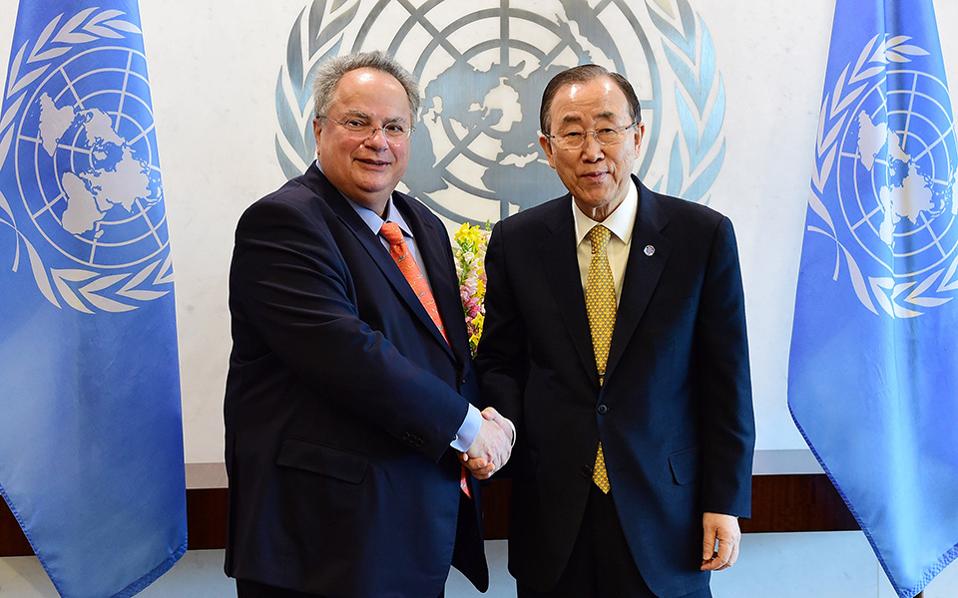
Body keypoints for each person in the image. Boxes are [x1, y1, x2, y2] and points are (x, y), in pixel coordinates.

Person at [224, 51, 514, 598]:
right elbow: (351, 356)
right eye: (357, 122)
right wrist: (471, 428)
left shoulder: (423, 225)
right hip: (320, 545)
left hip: (409, 532)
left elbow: (446, 359)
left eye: (394, 127)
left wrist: (492, 422)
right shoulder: (283, 222)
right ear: (318, 130)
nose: (377, 141)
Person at [475, 64, 755, 598]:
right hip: (554, 514)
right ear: (546, 147)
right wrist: (499, 429)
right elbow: (500, 362)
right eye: (572, 133)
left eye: (607, 129)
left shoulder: (701, 237)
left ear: (638, 136)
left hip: (668, 516)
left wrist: (724, 501)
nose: (592, 150)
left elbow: (727, 383)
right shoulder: (518, 242)